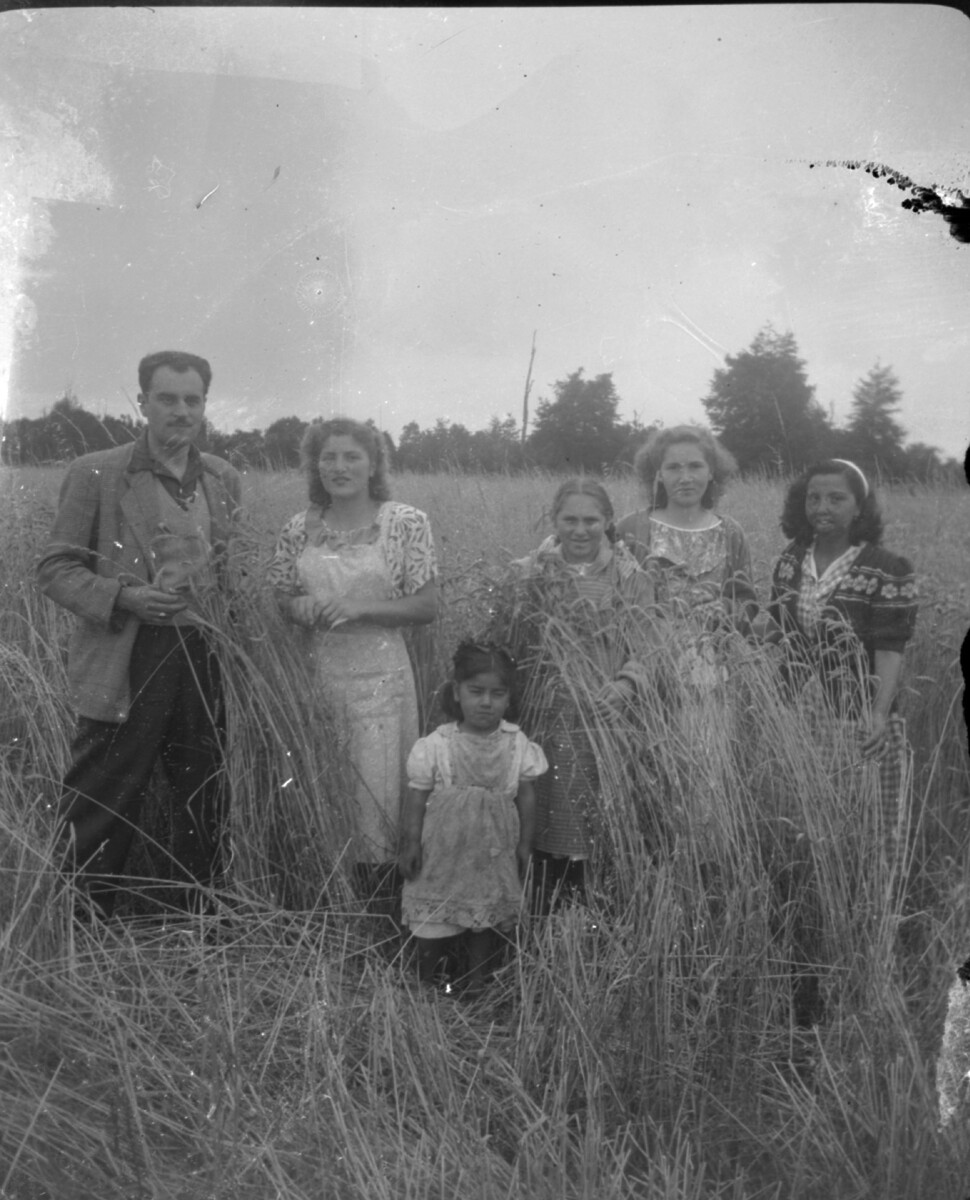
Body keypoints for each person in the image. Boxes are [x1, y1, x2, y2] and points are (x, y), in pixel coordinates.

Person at [37, 350, 242, 918]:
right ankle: (81, 925)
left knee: (203, 792)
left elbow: (231, 573)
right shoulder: (96, 472)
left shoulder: (222, 478)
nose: (181, 411)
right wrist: (125, 597)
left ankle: (195, 920)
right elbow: (55, 569)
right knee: (104, 793)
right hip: (128, 656)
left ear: (204, 404)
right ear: (142, 402)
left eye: (192, 400)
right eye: (167, 398)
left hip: (204, 656)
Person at [267, 418, 438, 915]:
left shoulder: (405, 522)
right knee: (327, 790)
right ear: (314, 466)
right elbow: (282, 595)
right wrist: (295, 608)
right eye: (328, 458)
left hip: (381, 679)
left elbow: (426, 607)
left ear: (374, 465)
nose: (339, 467)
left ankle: (381, 911)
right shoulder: (299, 527)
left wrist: (362, 609)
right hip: (318, 675)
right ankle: (327, 907)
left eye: (351, 457)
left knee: (378, 796)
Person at [493, 477, 658, 913]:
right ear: (554, 520)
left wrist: (626, 684)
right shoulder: (527, 573)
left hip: (603, 720)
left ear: (608, 521)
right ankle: (539, 912)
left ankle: (592, 913)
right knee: (539, 807)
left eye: (592, 520)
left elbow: (647, 645)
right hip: (544, 714)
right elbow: (507, 641)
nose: (581, 530)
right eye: (570, 520)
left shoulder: (629, 576)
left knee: (594, 816)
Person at [769, 458, 918, 842]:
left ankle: (867, 899)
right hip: (798, 712)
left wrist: (879, 713)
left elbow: (889, 648)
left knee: (868, 823)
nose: (821, 508)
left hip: (858, 715)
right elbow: (780, 630)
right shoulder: (790, 559)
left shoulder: (887, 568)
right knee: (803, 821)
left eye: (836, 498)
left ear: (859, 507)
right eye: (813, 498)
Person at [398, 642, 547, 997]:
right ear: (457, 692)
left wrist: (526, 845)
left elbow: (526, 797)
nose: (486, 702)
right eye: (476, 692)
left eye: (497, 694)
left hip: (493, 851)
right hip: (444, 851)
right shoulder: (438, 743)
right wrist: (411, 843)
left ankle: (478, 985)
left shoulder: (517, 744)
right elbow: (417, 797)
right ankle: (424, 982)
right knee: (434, 917)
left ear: (509, 698)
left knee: (486, 916)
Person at [616, 424, 758, 633]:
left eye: (695, 466)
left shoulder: (731, 533)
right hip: (648, 659)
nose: (685, 478)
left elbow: (748, 602)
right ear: (659, 475)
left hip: (718, 660)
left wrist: (724, 611)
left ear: (711, 472)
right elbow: (614, 602)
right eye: (673, 467)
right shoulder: (630, 529)